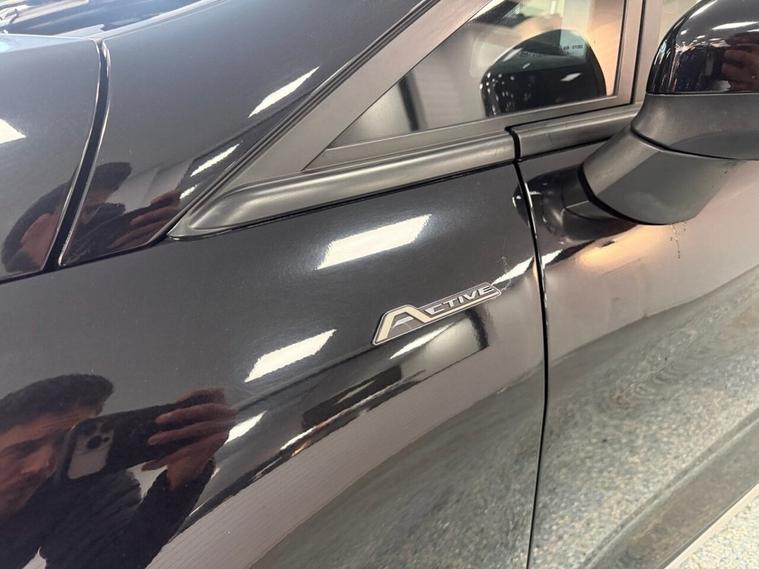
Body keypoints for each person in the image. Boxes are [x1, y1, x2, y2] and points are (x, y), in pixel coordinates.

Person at [0, 374, 234, 569]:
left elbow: (109, 562)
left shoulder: (86, 485)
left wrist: (184, 476)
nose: (42, 465)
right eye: (24, 449)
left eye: (66, 445)